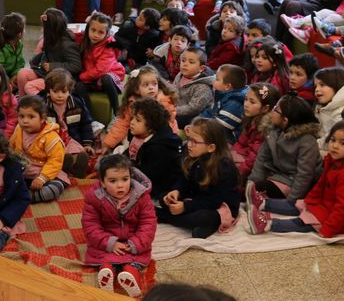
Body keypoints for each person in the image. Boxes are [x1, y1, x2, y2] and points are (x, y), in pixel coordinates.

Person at [248, 119, 344, 236]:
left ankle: (267, 224)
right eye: (333, 140)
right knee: (297, 204)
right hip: (327, 205)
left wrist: (328, 229)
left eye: (343, 143)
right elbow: (320, 185)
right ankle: (263, 203)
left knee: (303, 221)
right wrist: (310, 201)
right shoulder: (335, 161)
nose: (335, 146)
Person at [84, 154, 157, 298]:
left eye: (125, 179)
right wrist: (109, 243)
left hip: (134, 241)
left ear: (131, 177)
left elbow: (148, 223)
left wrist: (136, 243)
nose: (120, 185)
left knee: (135, 261)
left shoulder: (141, 196)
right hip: (106, 241)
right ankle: (106, 274)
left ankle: (130, 276)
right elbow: (90, 225)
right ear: (103, 182)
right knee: (105, 259)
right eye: (113, 181)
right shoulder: (94, 197)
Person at [158, 118, 240, 239]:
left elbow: (214, 202)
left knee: (202, 217)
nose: (189, 145)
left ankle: (167, 217)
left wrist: (185, 207)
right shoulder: (195, 156)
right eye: (189, 139)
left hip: (219, 207)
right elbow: (185, 180)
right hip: (199, 199)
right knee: (163, 198)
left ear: (211, 147)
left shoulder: (223, 167)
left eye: (194, 142)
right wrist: (177, 191)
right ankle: (200, 226)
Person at [245, 94, 321, 204]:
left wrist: (290, 202)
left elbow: (304, 176)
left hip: (292, 181)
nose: (272, 111)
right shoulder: (274, 131)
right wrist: (251, 183)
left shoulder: (307, 141)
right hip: (276, 174)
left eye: (276, 110)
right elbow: (261, 159)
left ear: (285, 120)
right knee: (249, 188)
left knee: (260, 191)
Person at [102, 65, 178, 151]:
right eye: (146, 85)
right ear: (137, 89)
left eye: (154, 84)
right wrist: (107, 144)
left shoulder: (164, 102)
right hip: (140, 135)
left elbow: (169, 128)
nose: (151, 87)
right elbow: (122, 124)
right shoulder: (133, 103)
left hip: (160, 139)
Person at [10, 95, 68, 203]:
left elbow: (55, 161)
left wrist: (42, 178)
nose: (25, 121)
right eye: (21, 116)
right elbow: (11, 149)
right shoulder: (18, 129)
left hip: (46, 173)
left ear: (42, 118)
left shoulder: (51, 137)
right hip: (24, 171)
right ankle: (21, 193)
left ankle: (28, 196)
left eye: (31, 117)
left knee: (54, 189)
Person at [40, 69, 95, 177]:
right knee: (54, 155)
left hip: (72, 138)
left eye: (64, 92)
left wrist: (87, 143)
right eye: (55, 91)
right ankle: (65, 164)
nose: (59, 95)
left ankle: (77, 166)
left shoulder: (77, 103)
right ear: (48, 91)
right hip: (52, 141)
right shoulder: (42, 106)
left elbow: (86, 124)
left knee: (78, 151)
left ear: (69, 91)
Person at [16, 8, 83, 96]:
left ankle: (44, 106)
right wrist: (42, 62)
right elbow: (46, 53)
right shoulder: (50, 38)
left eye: (44, 26)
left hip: (61, 78)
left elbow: (76, 66)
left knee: (29, 86)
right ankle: (22, 102)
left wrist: (52, 66)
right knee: (22, 73)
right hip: (48, 73)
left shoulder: (67, 44)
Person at [126, 97, 183, 199]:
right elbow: (130, 153)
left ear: (151, 127)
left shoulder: (158, 148)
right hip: (141, 171)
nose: (132, 122)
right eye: (132, 118)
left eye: (138, 120)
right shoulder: (140, 134)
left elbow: (148, 176)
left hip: (160, 187)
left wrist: (124, 169)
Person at [76, 11, 125, 114]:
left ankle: (117, 112)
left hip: (109, 77)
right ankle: (90, 118)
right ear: (88, 29)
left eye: (100, 32)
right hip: (92, 78)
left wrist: (81, 76)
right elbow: (70, 34)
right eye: (93, 30)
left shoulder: (109, 46)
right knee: (78, 86)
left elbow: (100, 70)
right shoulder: (85, 40)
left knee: (105, 78)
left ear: (107, 33)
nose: (95, 35)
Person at [231, 83, 280, 180]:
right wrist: (231, 154)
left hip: (255, 167)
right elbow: (241, 143)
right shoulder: (251, 119)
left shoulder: (265, 128)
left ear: (265, 108)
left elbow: (254, 157)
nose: (246, 104)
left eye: (252, 102)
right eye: (246, 99)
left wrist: (240, 172)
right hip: (243, 156)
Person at [199, 64, 248, 141]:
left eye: (217, 79)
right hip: (214, 132)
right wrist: (197, 123)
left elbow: (220, 128)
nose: (213, 81)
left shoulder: (235, 104)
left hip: (226, 140)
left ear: (227, 86)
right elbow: (209, 112)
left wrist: (199, 129)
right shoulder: (223, 96)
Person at [313, 67, 344, 141]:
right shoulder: (322, 106)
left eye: (322, 85)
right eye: (315, 86)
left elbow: (331, 142)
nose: (316, 89)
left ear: (336, 86)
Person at [173, 46, 215, 128]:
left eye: (191, 62)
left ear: (201, 68)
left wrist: (174, 110)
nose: (185, 64)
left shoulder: (203, 87)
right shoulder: (180, 75)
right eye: (183, 60)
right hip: (178, 109)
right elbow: (173, 89)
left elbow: (194, 108)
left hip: (194, 117)